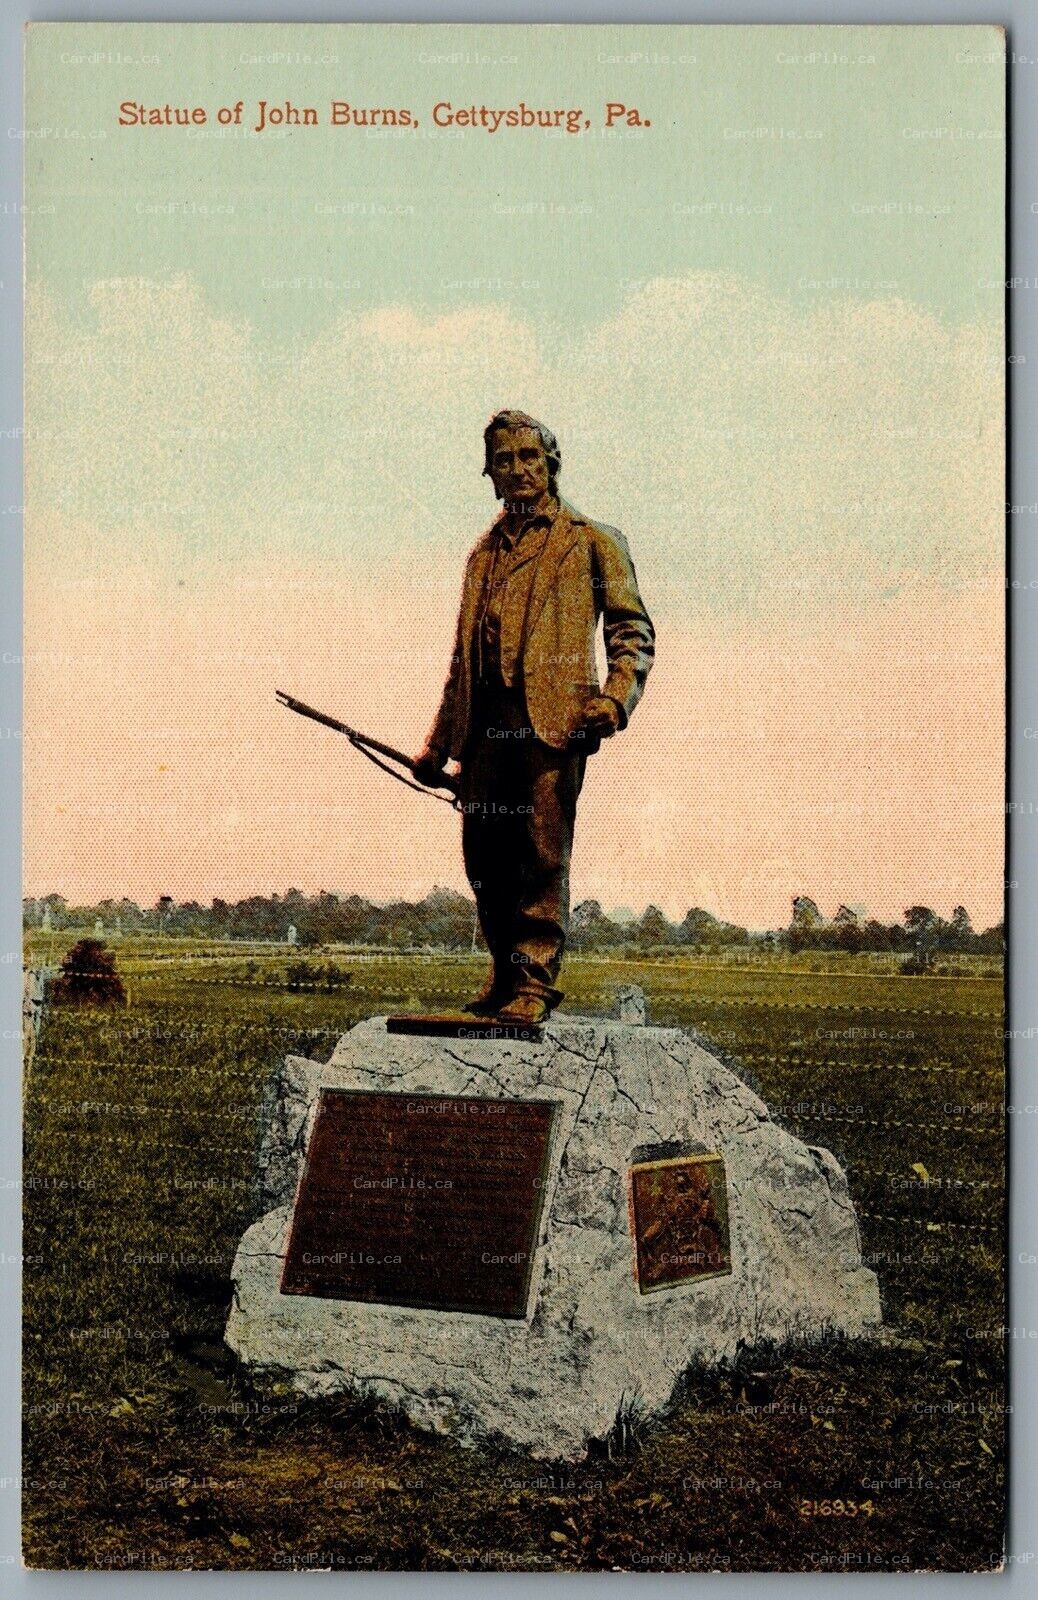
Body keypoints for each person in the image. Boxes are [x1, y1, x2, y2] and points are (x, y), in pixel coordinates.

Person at [414, 410, 655, 1025]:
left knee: (540, 851)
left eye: (528, 457)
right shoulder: (480, 554)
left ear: (551, 463)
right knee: (484, 855)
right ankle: (503, 972)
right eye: (503, 461)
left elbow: (632, 631)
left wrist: (613, 697)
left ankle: (534, 979)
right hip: (485, 728)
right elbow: (461, 661)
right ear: (489, 475)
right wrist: (439, 746)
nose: (517, 470)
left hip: (553, 725)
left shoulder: (593, 539)